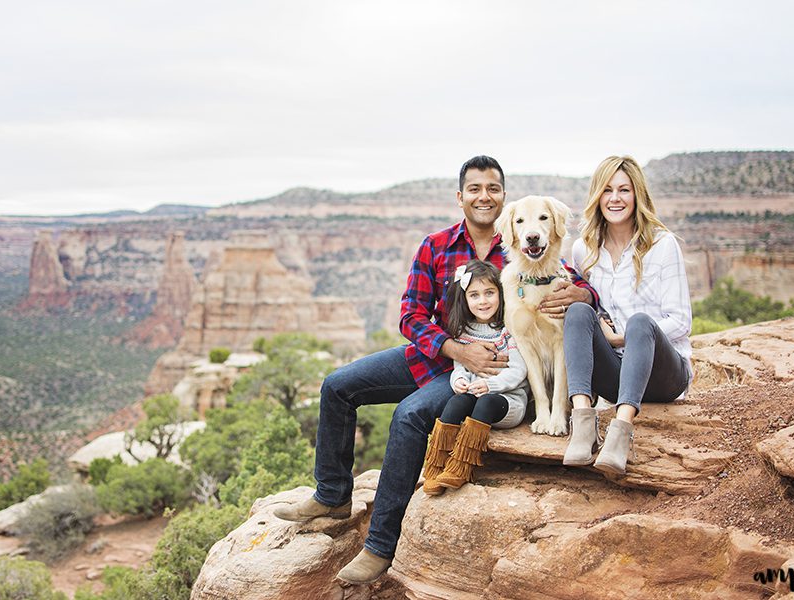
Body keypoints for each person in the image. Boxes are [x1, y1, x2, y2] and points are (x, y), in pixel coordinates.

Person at [274, 155, 597, 585]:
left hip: (485, 371)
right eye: (475, 189)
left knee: (408, 416)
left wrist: (582, 296)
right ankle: (332, 495)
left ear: (504, 198)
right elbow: (410, 314)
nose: (485, 197)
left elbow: (571, 280)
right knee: (337, 386)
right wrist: (453, 348)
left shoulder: (521, 247)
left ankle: (380, 547)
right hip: (436, 356)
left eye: (494, 189)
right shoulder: (437, 245)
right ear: (460, 197)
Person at [560, 155, 692, 474]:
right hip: (616, 374)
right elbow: (590, 304)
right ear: (597, 196)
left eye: (624, 190)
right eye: (607, 190)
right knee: (578, 310)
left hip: (664, 374)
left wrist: (624, 336)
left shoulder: (662, 245)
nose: (615, 198)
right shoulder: (584, 250)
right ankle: (583, 426)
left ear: (637, 196)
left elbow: (681, 321)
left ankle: (620, 433)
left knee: (640, 322)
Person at [422, 259, 529, 496]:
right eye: (475, 295)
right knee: (456, 402)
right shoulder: (463, 333)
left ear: (501, 294)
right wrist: (457, 381)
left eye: (489, 293)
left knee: (487, 401)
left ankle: (462, 465)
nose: (483, 301)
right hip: (474, 396)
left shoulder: (508, 330)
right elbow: (459, 367)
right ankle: (436, 465)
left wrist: (490, 385)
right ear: (465, 299)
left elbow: (519, 371)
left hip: (507, 402)